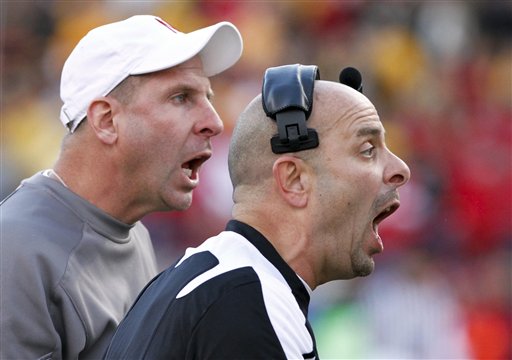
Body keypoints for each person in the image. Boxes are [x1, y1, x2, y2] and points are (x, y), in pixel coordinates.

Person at [104, 64, 411, 359]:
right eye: (368, 150)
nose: (401, 170)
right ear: (294, 179)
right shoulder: (246, 301)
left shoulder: (210, 285)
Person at [0, 15, 242, 360]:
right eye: (181, 97)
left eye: (208, 96)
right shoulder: (15, 251)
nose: (214, 122)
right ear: (106, 120)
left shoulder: (133, 233)